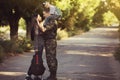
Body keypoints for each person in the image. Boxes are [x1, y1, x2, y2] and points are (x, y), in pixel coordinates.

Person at [38, 9, 58, 80]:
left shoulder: (51, 20)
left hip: (51, 41)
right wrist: (40, 21)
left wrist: (38, 22)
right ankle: (52, 75)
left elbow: (43, 29)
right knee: (49, 58)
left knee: (51, 58)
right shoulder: (48, 20)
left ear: (49, 13)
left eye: (44, 14)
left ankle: (53, 76)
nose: (43, 15)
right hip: (47, 41)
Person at [25, 14, 45, 80]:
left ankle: (35, 75)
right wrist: (36, 47)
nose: (40, 17)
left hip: (40, 45)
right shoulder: (36, 26)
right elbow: (36, 38)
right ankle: (29, 74)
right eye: (39, 16)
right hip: (38, 46)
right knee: (36, 60)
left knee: (37, 60)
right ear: (36, 18)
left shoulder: (38, 25)